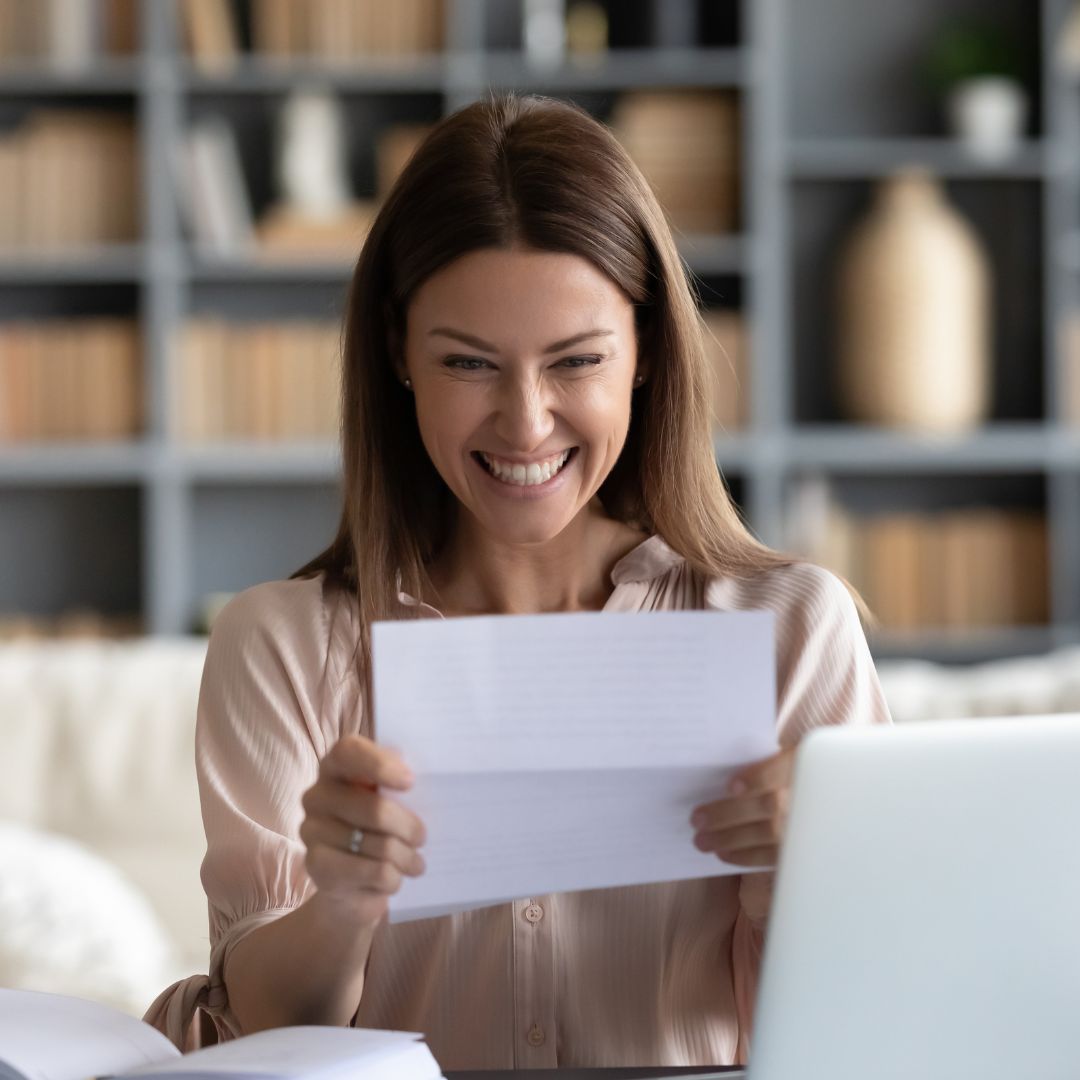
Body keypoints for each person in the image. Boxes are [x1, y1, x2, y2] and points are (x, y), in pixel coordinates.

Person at [145, 93, 891, 1065]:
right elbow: (263, 1044)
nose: (527, 424)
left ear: (648, 353)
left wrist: (810, 865)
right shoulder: (283, 647)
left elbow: (883, 1021)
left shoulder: (791, 630)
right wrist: (343, 899)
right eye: (468, 363)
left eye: (576, 360)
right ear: (396, 353)